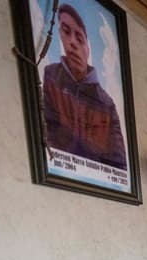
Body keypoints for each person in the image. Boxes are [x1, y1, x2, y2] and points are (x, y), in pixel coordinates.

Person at [42, 3, 127, 169]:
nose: (72, 43)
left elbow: (119, 164)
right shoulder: (49, 76)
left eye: (79, 38)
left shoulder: (106, 103)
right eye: (66, 32)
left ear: (88, 48)